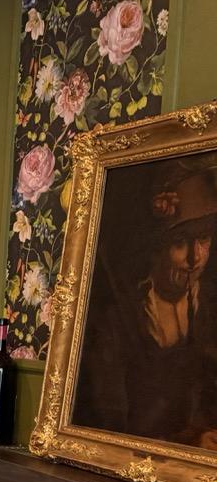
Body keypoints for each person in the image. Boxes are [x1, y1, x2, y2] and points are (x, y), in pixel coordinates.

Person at [76, 161, 217, 449]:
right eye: (180, 243)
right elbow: (111, 421)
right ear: (157, 249)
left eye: (204, 239)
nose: (195, 259)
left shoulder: (208, 305)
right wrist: (187, 442)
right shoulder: (121, 317)